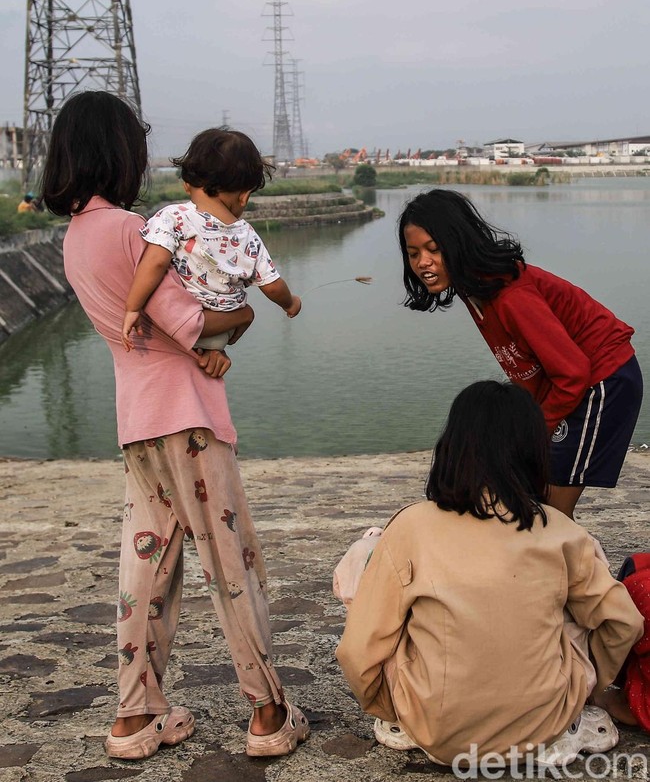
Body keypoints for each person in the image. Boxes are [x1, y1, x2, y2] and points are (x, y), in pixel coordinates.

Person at [41, 91, 309, 761]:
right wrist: (245, 317)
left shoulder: (77, 236)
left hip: (136, 417)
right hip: (186, 415)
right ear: (116, 151)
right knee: (231, 561)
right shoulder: (134, 230)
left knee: (147, 563)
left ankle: (135, 715)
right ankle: (268, 711)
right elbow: (197, 321)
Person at [336, 380, 643, 768]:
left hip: (437, 730)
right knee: (576, 612)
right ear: (534, 453)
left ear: (452, 447)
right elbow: (623, 622)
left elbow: (357, 651)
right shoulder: (562, 531)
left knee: (367, 565)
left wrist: (393, 706)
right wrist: (586, 683)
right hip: (543, 725)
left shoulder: (411, 527)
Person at [398, 188, 643, 518]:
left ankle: (568, 565)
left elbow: (572, 371)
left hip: (602, 380)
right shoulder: (475, 289)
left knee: (553, 508)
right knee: (530, 493)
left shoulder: (510, 295)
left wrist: (533, 432)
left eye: (434, 249)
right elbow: (526, 369)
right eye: (413, 253)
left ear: (460, 242)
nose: (422, 262)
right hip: (569, 383)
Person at [122, 127, 300, 353]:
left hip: (184, 321)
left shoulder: (173, 217)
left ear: (186, 183)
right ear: (244, 196)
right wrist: (291, 303)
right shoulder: (248, 234)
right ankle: (215, 350)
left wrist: (132, 308)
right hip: (222, 328)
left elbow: (156, 262)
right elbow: (273, 286)